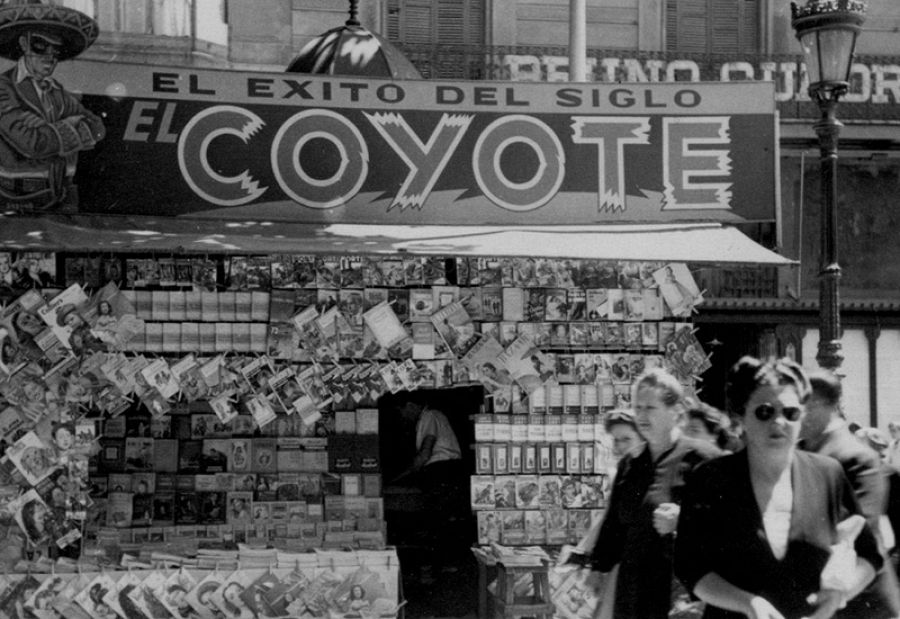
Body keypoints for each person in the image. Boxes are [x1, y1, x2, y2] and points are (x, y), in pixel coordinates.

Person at [675, 357, 882, 619]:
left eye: (790, 413)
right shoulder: (710, 478)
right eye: (764, 412)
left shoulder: (828, 474)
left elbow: (870, 555)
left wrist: (840, 594)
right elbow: (690, 568)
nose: (779, 421)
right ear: (741, 418)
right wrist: (748, 604)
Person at [587, 367, 723, 618]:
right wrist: (598, 568)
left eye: (650, 408)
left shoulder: (703, 459)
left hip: (679, 595)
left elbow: (729, 525)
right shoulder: (631, 462)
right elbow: (614, 525)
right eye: (638, 408)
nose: (641, 416)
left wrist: (683, 520)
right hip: (632, 592)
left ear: (675, 411)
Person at [798, 369, 900, 618]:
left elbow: (860, 526)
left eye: (802, 404)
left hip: (859, 597)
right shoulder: (798, 450)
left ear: (823, 404)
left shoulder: (855, 456)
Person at [0, 1, 105, 213]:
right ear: (24, 43)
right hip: (18, 199)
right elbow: (31, 143)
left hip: (63, 197)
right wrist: (68, 125)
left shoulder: (57, 91)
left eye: (56, 50)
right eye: (41, 45)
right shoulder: (4, 87)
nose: (49, 55)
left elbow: (98, 128)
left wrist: (49, 128)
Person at [394, 394, 467, 578]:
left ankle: (437, 568)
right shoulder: (429, 418)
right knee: (441, 519)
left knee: (435, 520)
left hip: (442, 470)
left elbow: (425, 453)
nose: (402, 416)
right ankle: (443, 565)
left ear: (410, 405)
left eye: (402, 411)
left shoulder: (430, 416)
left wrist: (399, 477)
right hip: (446, 471)